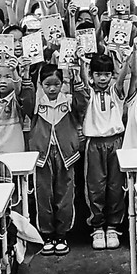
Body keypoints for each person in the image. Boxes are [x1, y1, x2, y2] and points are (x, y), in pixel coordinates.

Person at [25, 63, 87, 256]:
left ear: (62, 84)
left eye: (56, 84)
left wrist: (77, 79)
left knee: (65, 195)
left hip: (65, 155)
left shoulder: (68, 101)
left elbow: (82, 104)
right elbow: (25, 101)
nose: (52, 89)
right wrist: (26, 75)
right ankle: (47, 234)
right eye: (47, 84)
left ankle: (61, 235)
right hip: (42, 156)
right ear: (41, 85)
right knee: (43, 196)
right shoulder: (37, 103)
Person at [80, 53, 127, 250]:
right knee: (95, 186)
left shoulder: (115, 92)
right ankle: (97, 226)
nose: (102, 78)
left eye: (106, 74)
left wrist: (128, 57)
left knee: (116, 186)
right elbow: (83, 80)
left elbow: (122, 77)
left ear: (111, 75)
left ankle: (113, 226)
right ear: (92, 75)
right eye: (98, 74)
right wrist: (81, 61)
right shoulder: (89, 93)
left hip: (115, 143)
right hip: (94, 144)